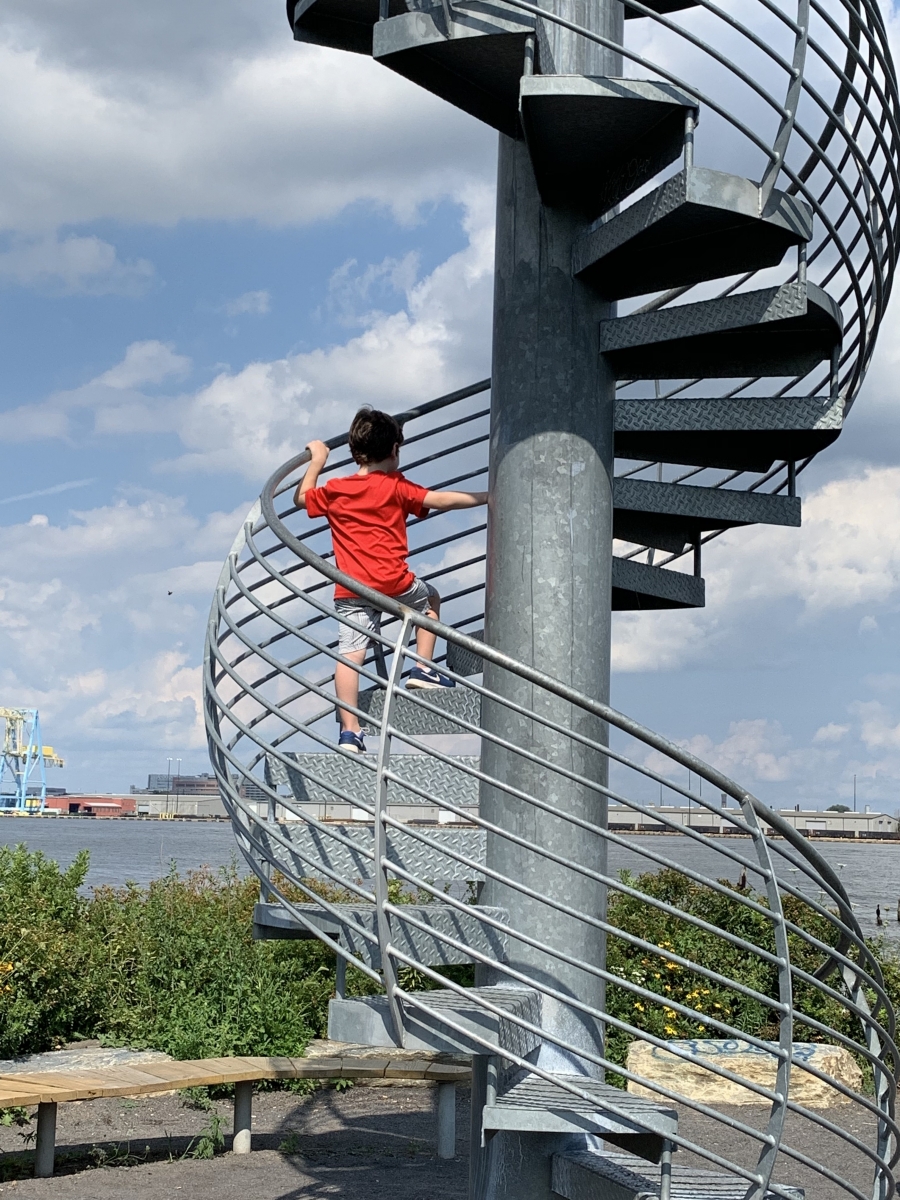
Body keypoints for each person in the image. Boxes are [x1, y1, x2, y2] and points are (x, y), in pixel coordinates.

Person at [295, 406, 488, 753]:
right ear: (395, 451)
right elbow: (439, 499)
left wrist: (318, 460)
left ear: (355, 451)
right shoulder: (395, 486)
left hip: (351, 588)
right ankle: (422, 669)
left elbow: (300, 498)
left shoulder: (337, 489)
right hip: (393, 583)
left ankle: (349, 732)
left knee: (350, 655)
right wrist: (487, 498)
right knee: (429, 600)